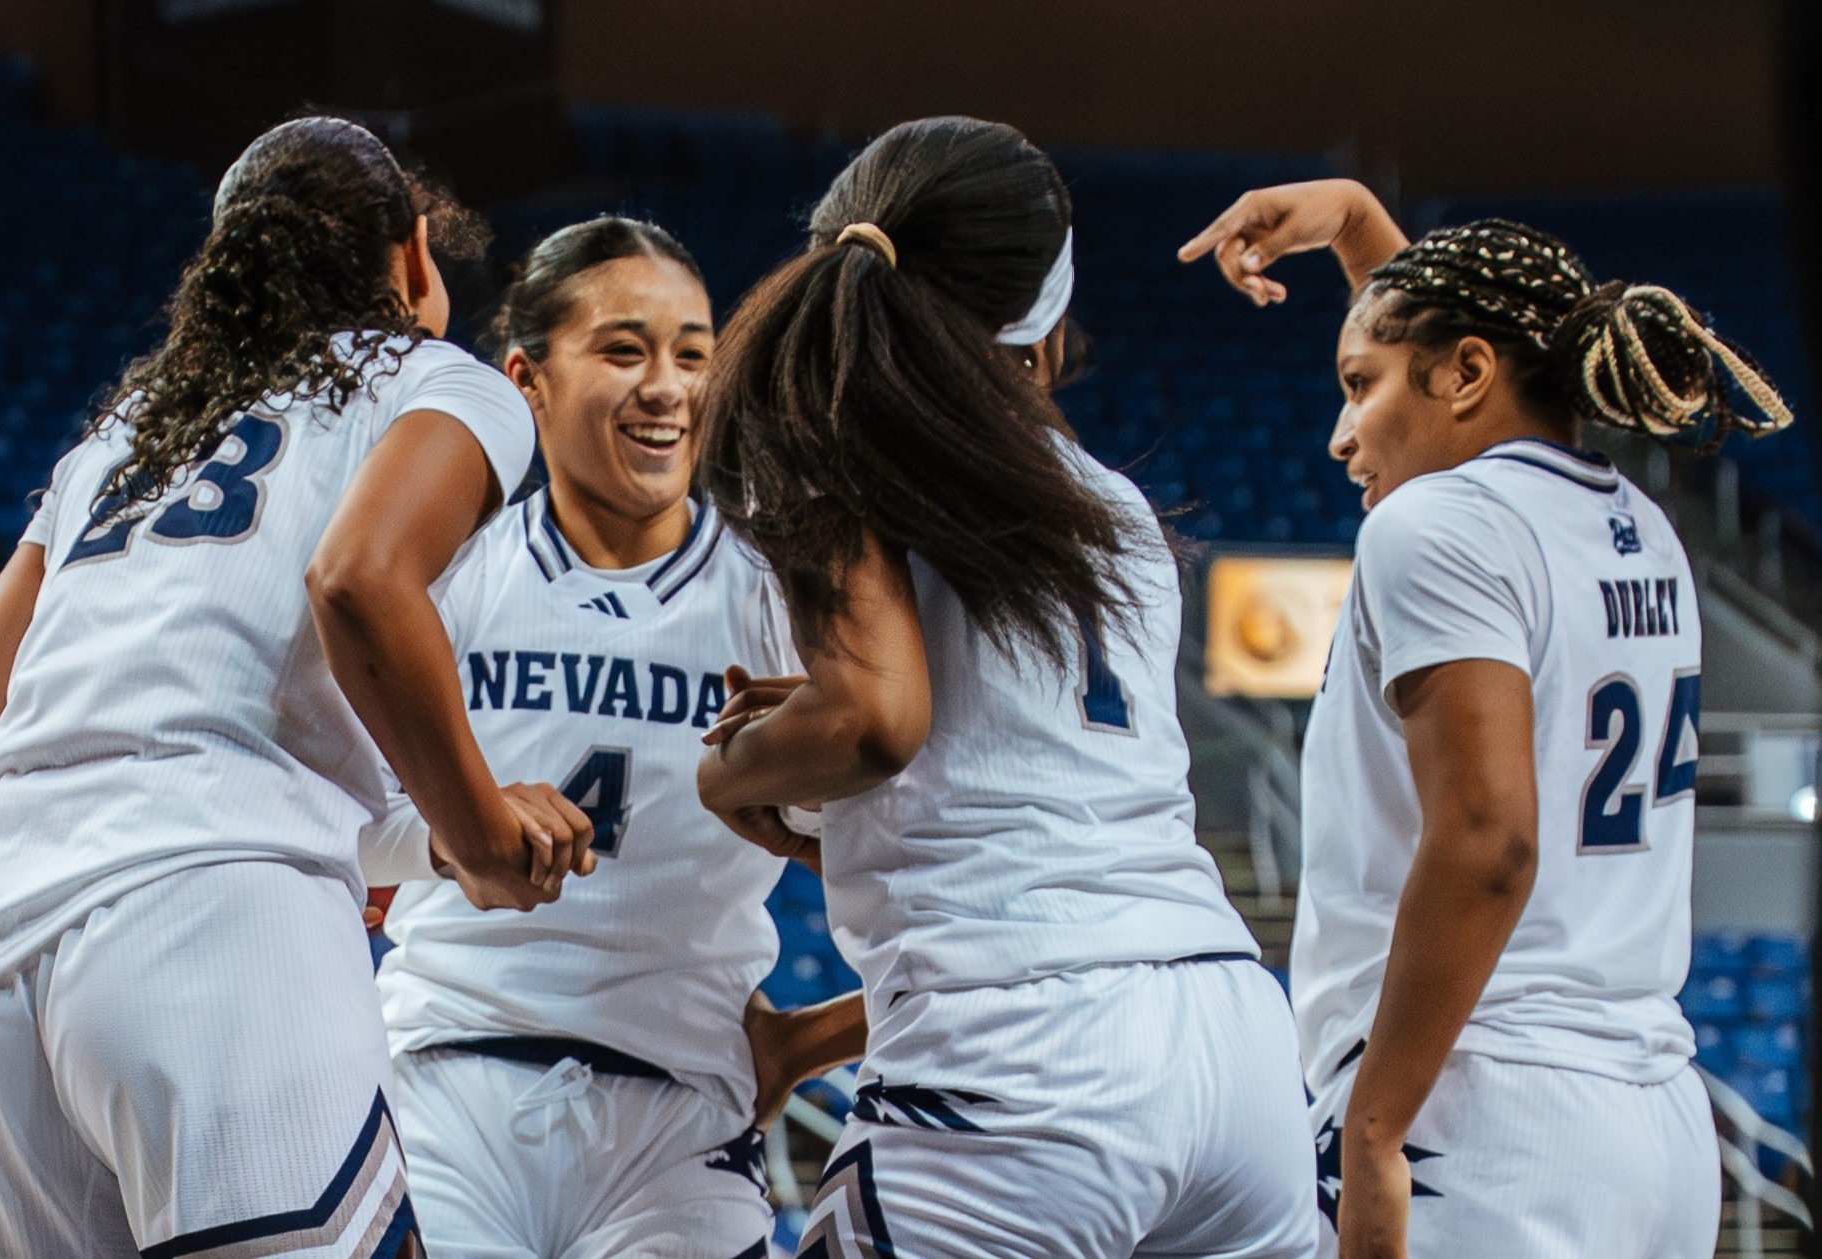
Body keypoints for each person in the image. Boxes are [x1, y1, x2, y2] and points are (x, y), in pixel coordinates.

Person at [0, 115, 591, 1259]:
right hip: (216, 939)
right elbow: (360, 580)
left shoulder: (117, 441)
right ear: (412, 255)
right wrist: (482, 837)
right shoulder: (436, 382)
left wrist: (421, 841)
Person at [694, 115, 1314, 1257]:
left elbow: (875, 721)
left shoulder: (846, 439)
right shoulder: (1108, 501)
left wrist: (728, 769)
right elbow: (1012, 749)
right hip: (1231, 1036)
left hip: (1022, 1057)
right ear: (1044, 303)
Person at [1180, 182, 1794, 1259]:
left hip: (1479, 1113)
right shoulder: (1637, 525)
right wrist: (1361, 223)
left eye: (1356, 387)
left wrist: (1374, 1125)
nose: (1340, 434)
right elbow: (1456, 351)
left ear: (1466, 372)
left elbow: (1488, 838)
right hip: (1653, 1115)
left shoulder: (1439, 520)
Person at [365, 215, 863, 1258]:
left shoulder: (778, 593)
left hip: (680, 1111)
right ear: (526, 379)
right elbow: (340, 825)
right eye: (623, 349)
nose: (668, 386)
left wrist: (817, 1037)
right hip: (445, 1072)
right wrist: (457, 834)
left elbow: (932, 853)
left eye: (692, 353)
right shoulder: (445, 573)